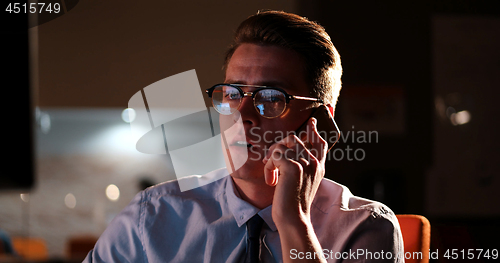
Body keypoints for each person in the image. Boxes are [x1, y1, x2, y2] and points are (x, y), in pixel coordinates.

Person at [84, 10, 404, 263]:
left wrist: (292, 221)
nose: (242, 115)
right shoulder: (152, 216)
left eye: (270, 96)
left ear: (318, 121)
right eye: (232, 93)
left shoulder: (365, 227)